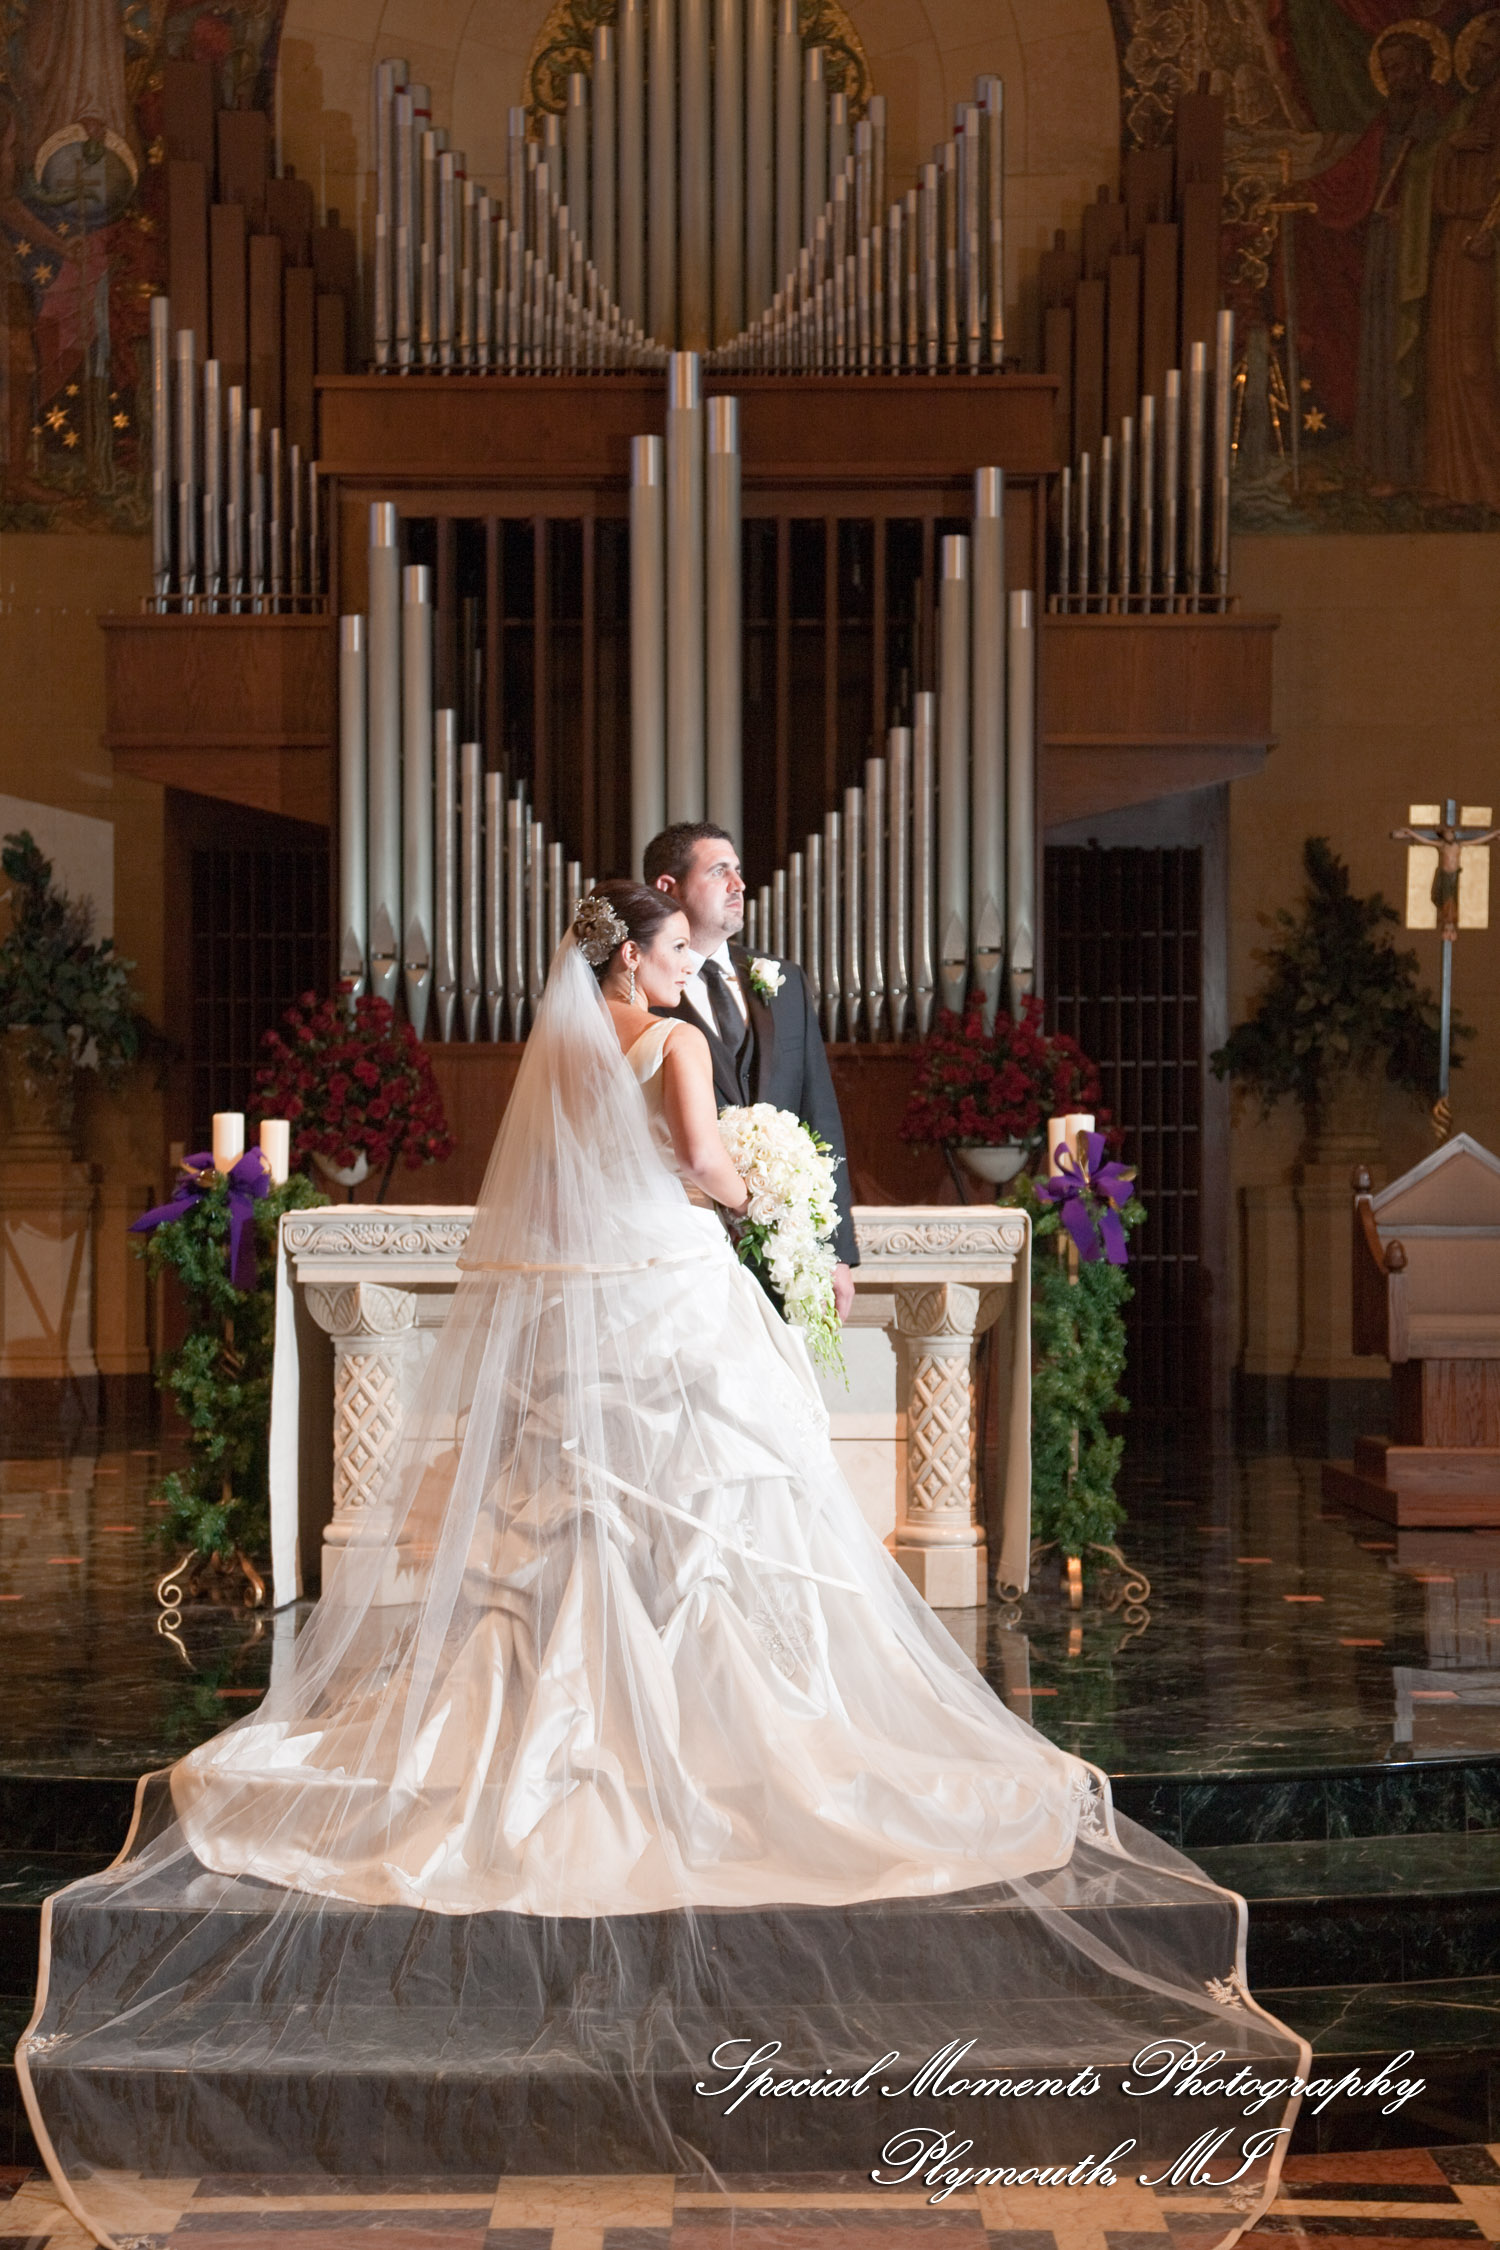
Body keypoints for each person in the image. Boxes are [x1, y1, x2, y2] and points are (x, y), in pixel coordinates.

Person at [18, 888, 1308, 2242]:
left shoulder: (567, 1047)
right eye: (681, 944)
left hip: (585, 1308)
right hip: (675, 1297)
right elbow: (700, 1163)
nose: (699, 959)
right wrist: (775, 1196)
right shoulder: (676, 1040)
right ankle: (711, 1738)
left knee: (574, 1528)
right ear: (633, 953)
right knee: (713, 1523)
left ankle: (568, 1731)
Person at [644, 820, 857, 1317]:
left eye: (738, 871)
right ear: (667, 887)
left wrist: (836, 1252)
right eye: (720, 872)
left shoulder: (785, 980)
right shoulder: (639, 992)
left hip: (784, 1251)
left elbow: (819, 1114)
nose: (739, 885)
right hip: (678, 1242)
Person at [1424, 8, 1500, 507]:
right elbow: (1434, 173)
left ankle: (1489, 483)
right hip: (1456, 238)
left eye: (1490, 48)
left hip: (1482, 241)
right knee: (1446, 356)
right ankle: (1453, 482)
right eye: (1478, 47)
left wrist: (1492, 231)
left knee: (1475, 360)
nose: (1479, 54)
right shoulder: (1472, 109)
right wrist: (1451, 145)